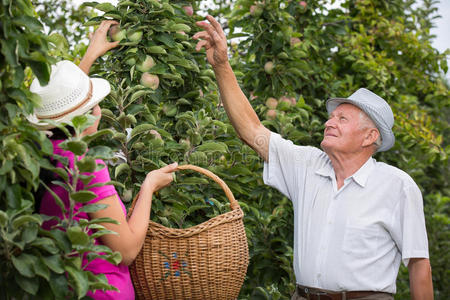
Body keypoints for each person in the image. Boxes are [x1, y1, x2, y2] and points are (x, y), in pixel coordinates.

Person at [193, 15, 433, 300]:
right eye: (331, 117)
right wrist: (221, 65)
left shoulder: (397, 186)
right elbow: (252, 130)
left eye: (342, 118)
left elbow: (419, 265)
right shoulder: (307, 166)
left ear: (370, 137)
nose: (329, 123)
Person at [29, 20, 178, 299]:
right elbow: (126, 250)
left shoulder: (37, 155)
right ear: (88, 114)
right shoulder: (85, 166)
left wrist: (88, 57)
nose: (100, 108)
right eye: (95, 103)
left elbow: (61, 111)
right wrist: (149, 186)